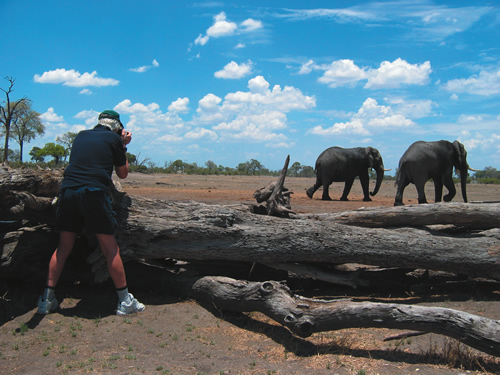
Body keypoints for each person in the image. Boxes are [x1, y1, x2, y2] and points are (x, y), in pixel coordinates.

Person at [37, 110, 145, 316]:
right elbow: (123, 174)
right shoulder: (114, 139)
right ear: (117, 127)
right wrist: (123, 144)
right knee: (110, 248)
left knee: (63, 247)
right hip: (94, 193)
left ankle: (47, 299)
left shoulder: (81, 135)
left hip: (68, 191)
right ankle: (125, 301)